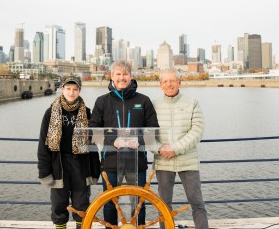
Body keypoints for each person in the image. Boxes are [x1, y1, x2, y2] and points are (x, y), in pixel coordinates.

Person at [89, 59, 159, 228]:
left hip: (138, 159)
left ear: (131, 76)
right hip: (110, 160)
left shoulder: (144, 100)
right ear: (112, 76)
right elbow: (93, 130)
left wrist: (138, 140)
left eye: (125, 74)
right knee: (110, 203)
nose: (122, 78)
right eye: (118, 74)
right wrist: (114, 141)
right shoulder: (102, 101)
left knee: (139, 203)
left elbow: (153, 129)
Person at [37, 75, 100, 229]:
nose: (71, 92)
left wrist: (95, 169)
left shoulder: (87, 113)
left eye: (75, 89)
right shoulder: (51, 112)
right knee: (59, 204)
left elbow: (92, 145)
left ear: (79, 90)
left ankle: (82, 226)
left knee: (82, 202)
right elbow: (43, 145)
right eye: (68, 89)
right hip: (59, 164)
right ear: (62, 89)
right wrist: (44, 171)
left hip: (81, 164)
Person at [153, 68, 209, 229]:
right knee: (163, 204)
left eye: (172, 81)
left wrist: (175, 148)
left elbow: (197, 131)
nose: (169, 84)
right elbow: (147, 134)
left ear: (180, 82)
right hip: (163, 161)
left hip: (188, 161)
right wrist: (159, 149)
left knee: (196, 202)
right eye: (165, 81)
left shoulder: (192, 102)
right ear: (160, 84)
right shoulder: (153, 105)